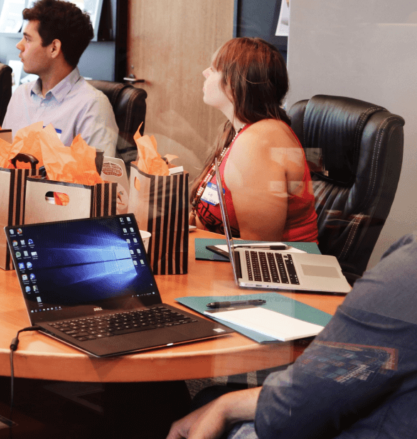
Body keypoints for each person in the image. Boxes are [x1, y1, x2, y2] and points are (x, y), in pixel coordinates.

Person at [168, 231, 417, 439]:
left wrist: (224, 407)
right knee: (211, 398)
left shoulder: (408, 272)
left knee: (207, 402)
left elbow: (295, 412)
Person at [191, 38, 318, 243]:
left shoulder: (259, 141)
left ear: (234, 82)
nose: (205, 72)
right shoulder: (239, 131)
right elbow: (209, 219)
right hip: (232, 257)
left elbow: (259, 250)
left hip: (277, 268)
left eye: (214, 70)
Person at [2, 0, 119, 157]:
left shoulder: (92, 106)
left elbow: (98, 179)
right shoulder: (20, 95)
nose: (19, 45)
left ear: (54, 48)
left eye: (28, 39)